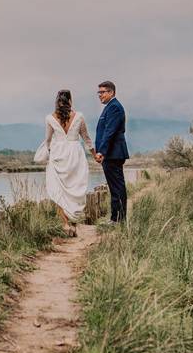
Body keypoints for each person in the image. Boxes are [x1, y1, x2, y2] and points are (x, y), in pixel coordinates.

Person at [40, 89, 92, 236]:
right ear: (70, 101)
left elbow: (48, 140)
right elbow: (86, 138)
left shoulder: (50, 118)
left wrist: (49, 154)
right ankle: (74, 225)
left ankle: (65, 225)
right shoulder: (79, 116)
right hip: (76, 156)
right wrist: (95, 154)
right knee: (76, 189)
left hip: (58, 156)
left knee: (59, 191)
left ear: (57, 101)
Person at [93, 80, 129, 223]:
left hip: (113, 153)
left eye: (102, 92)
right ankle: (117, 218)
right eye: (99, 92)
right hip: (111, 153)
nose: (99, 95)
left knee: (117, 187)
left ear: (111, 92)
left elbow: (110, 132)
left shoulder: (114, 107)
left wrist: (101, 151)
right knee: (115, 187)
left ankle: (118, 219)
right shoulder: (110, 106)